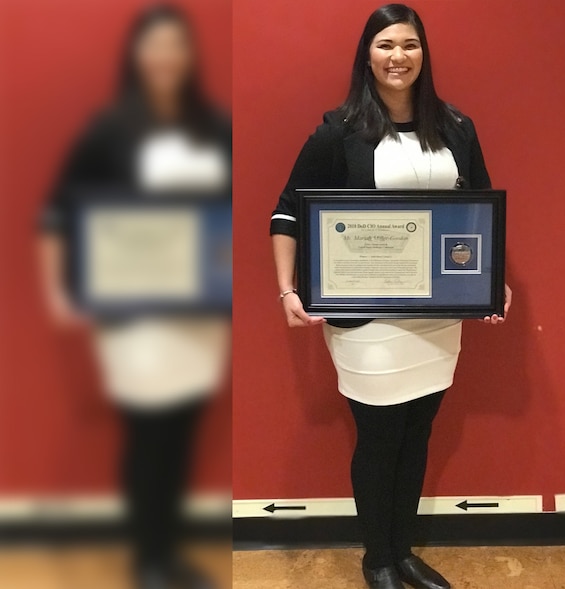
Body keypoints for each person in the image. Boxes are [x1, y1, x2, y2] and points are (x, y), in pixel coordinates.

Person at [270, 5, 512, 589]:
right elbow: (286, 213)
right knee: (379, 438)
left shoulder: (457, 126)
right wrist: (286, 289)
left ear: (423, 54)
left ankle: (403, 552)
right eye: (385, 45)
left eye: (409, 44)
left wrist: (491, 278)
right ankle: (376, 558)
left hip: (437, 316)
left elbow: (479, 212)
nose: (398, 56)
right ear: (367, 55)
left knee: (419, 431)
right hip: (366, 320)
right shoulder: (338, 131)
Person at [38, 5, 230, 588]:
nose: (166, 57)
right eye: (154, 46)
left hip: (200, 316)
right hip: (135, 317)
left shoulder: (213, 126)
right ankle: (148, 559)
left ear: (189, 55)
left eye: (176, 45)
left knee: (179, 435)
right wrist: (57, 292)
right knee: (147, 433)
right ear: (137, 56)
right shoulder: (109, 129)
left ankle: (166, 553)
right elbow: (56, 214)